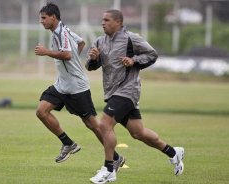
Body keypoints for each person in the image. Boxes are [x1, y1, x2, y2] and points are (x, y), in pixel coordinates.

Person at [86, 9, 185, 184]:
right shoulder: (99, 41)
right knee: (138, 133)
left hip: (128, 90)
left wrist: (134, 61)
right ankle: (173, 152)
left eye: (107, 20)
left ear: (118, 22)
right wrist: (93, 59)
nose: (103, 23)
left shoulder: (131, 38)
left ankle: (109, 169)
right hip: (112, 92)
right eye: (102, 20)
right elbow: (91, 67)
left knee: (104, 124)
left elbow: (152, 54)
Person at [34, 3, 125, 171]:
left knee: (93, 125)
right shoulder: (61, 31)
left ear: (53, 17)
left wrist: (47, 52)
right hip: (62, 84)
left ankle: (116, 158)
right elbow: (81, 42)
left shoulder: (62, 33)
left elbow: (67, 55)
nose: (41, 21)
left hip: (77, 87)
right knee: (41, 111)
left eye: (44, 18)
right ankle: (68, 143)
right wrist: (73, 59)